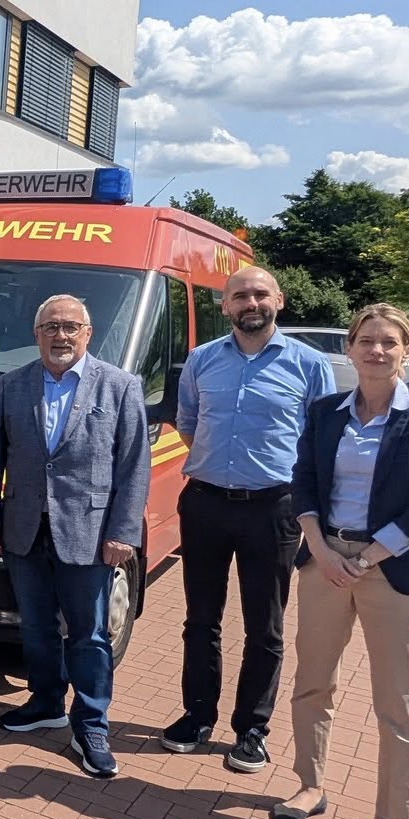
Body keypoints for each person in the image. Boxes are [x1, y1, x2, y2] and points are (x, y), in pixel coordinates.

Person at [280, 304, 409, 819]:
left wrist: (368, 557)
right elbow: (304, 480)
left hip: (393, 568)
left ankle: (390, 817)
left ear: (406, 351)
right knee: (313, 682)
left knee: (398, 698)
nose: (376, 351)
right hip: (325, 561)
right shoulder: (326, 411)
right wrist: (319, 547)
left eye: (388, 342)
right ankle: (310, 785)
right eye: (366, 341)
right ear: (350, 348)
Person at [161, 266, 336, 774]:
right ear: (225, 305)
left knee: (265, 625)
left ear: (279, 300)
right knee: (201, 618)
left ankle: (252, 729)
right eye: (240, 295)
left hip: (273, 509)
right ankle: (197, 716)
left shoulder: (310, 364)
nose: (250, 302)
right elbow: (189, 422)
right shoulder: (201, 360)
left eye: (260, 294)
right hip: (206, 504)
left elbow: (321, 442)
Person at [0, 295, 149, 779]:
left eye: (71, 326)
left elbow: (134, 465)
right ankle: (46, 701)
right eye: (51, 326)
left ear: (88, 333)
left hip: (89, 533)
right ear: (36, 334)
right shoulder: (11, 385)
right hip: (24, 529)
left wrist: (123, 531)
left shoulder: (120, 386)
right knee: (35, 626)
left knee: (89, 634)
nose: (61, 335)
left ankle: (91, 724)